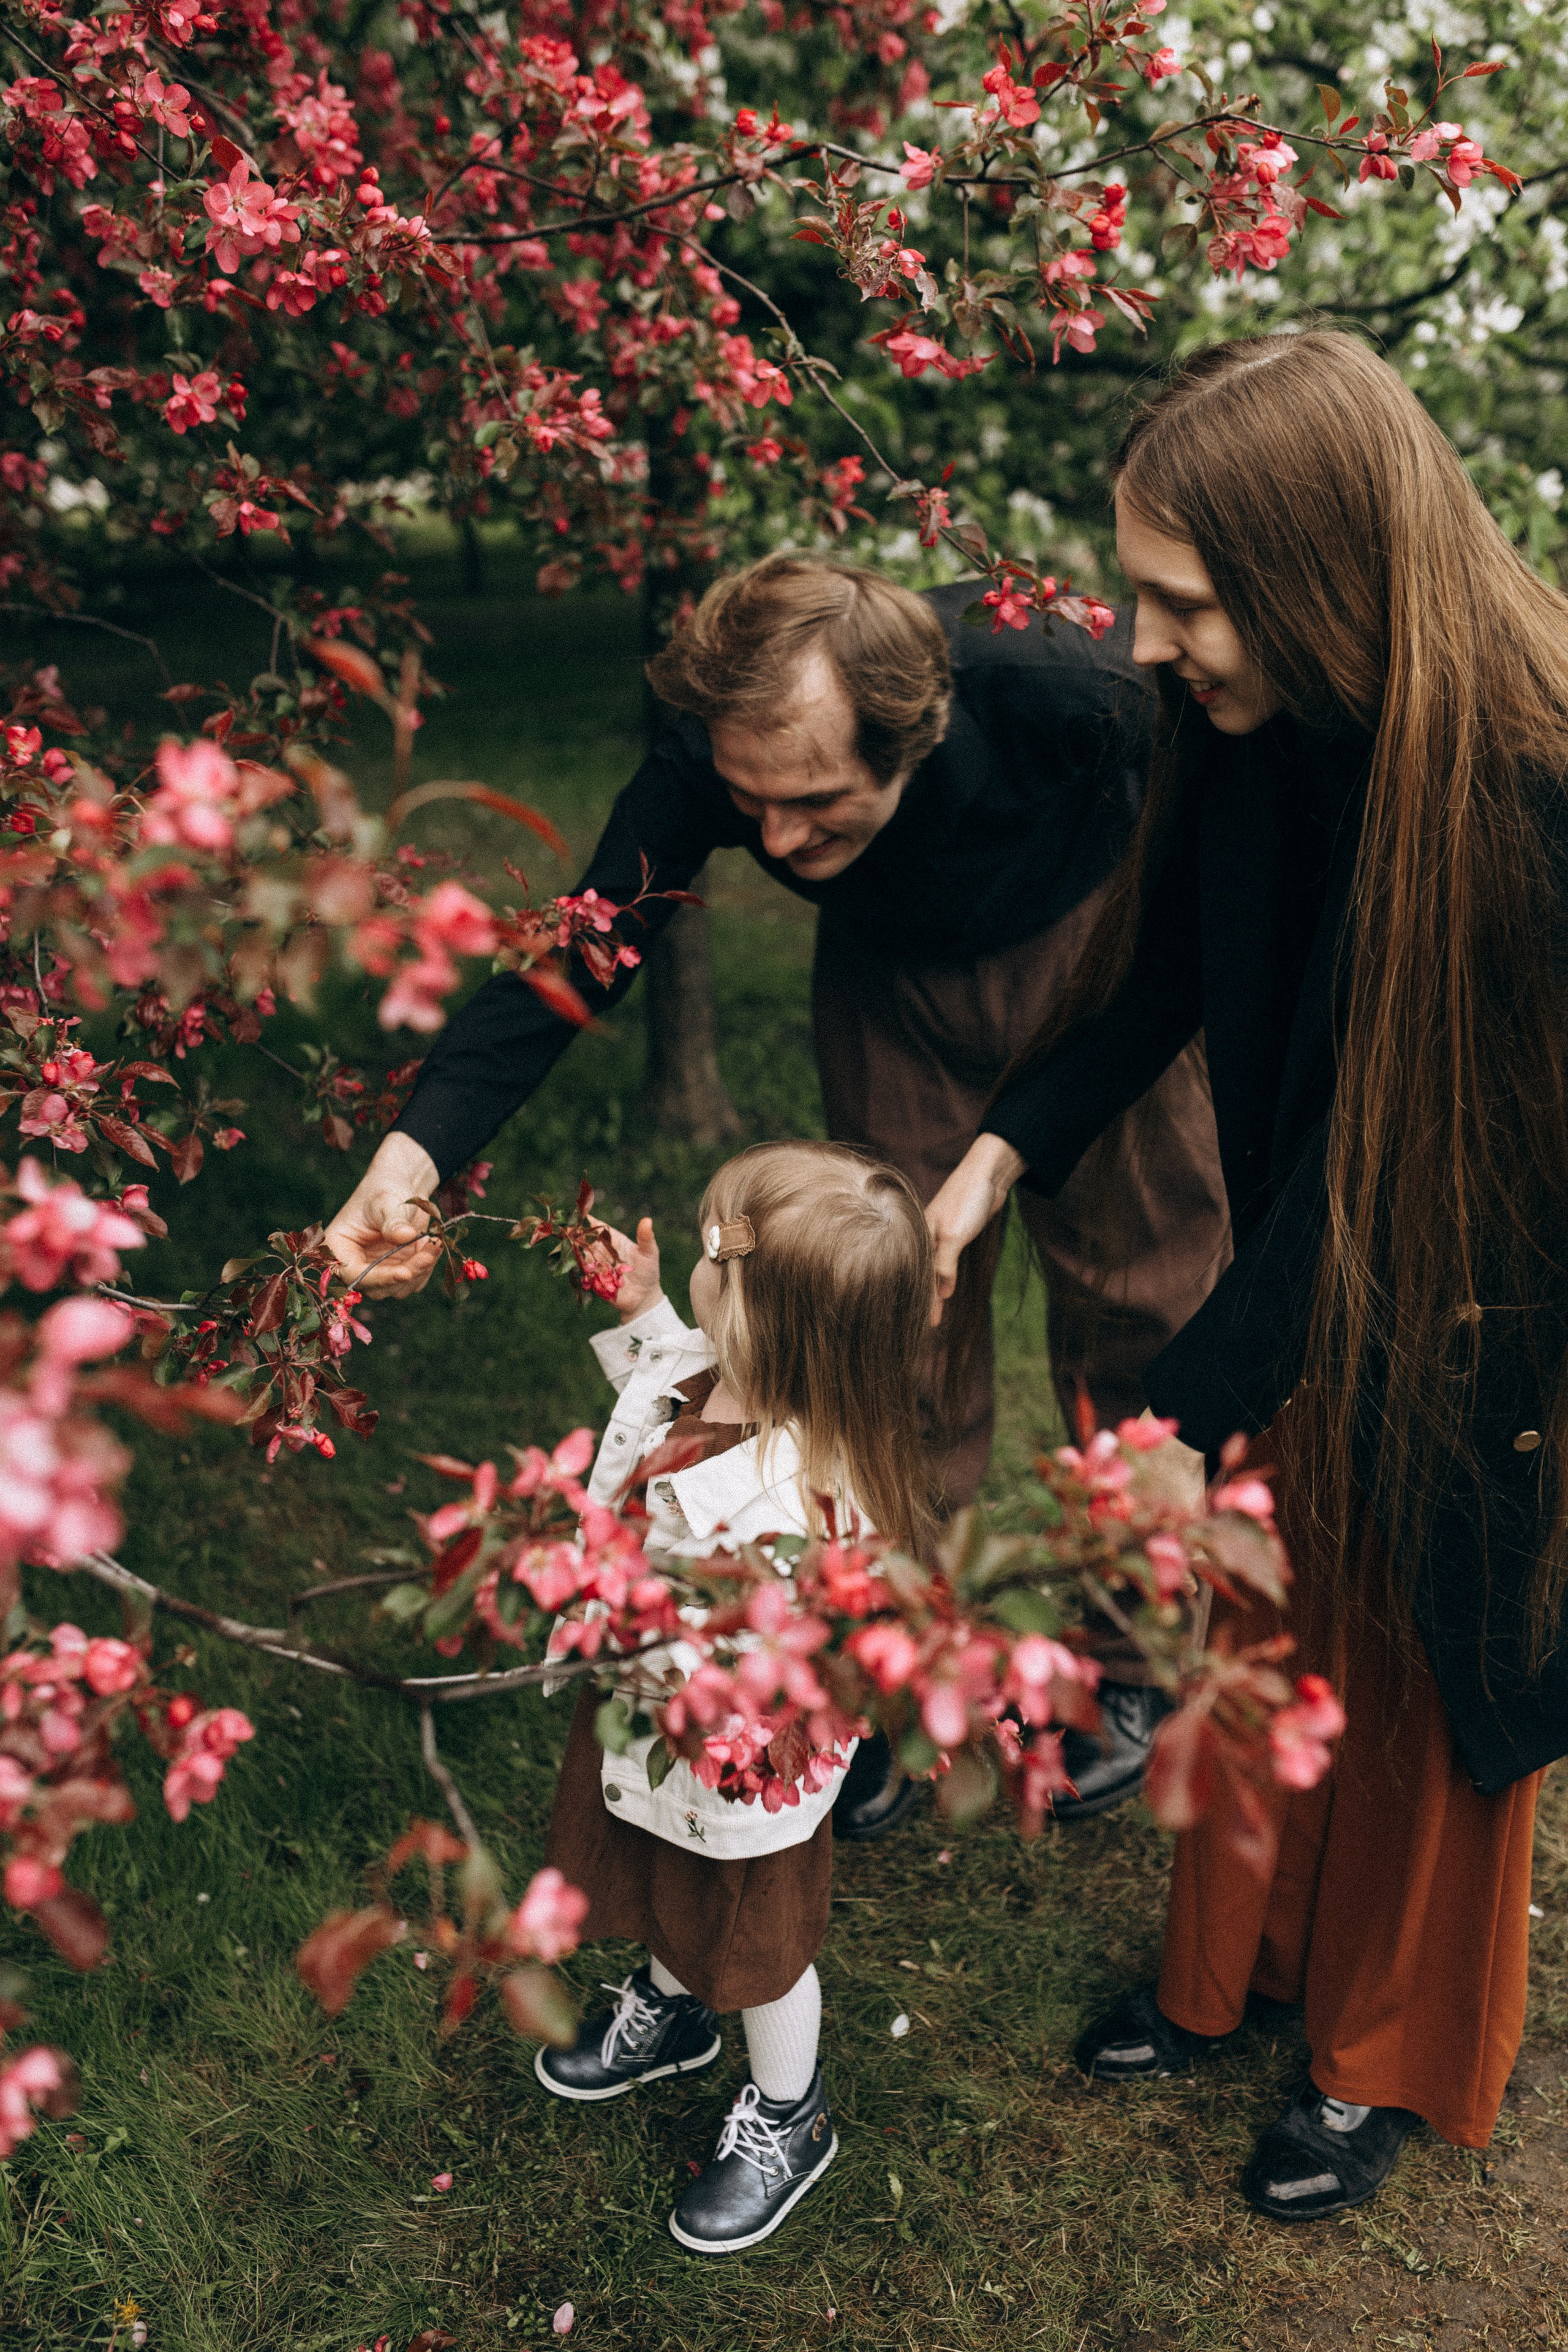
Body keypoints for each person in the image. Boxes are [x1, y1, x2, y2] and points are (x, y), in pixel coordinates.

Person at [925, 328, 1568, 2220]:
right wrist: (999, 1149)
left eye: (1177, 599)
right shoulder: (1245, 727)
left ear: (1314, 576)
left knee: (1428, 1690)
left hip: (1481, 1298)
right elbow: (1162, 980)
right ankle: (1233, 1978)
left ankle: (1377, 2055)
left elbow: (1407, 1172)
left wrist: (1189, 1401)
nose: (1136, 641)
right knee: (1268, 1640)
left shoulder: (1523, 795)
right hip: (1310, 1260)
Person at [324, 555, 1232, 1833]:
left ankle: (1129, 1657)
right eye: (751, 807)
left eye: (815, 804)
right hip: (889, 983)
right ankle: (886, 1669)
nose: (778, 844)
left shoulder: (1073, 685)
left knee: (1138, 1302)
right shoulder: (718, 753)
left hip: (1101, 956)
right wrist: (410, 1158)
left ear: (911, 735)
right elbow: (584, 952)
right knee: (875, 1326)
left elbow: (1218, 865)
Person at [535, 1140, 933, 2254]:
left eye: (714, 1255)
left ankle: (789, 2114)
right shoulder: (712, 1366)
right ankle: (672, 2008)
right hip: (643, 1720)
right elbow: (660, 1389)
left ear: (771, 1325)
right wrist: (645, 1308)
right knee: (660, 1865)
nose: (699, 1262)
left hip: (733, 1762)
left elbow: (769, 1658)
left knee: (758, 1937)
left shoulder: (806, 1501)